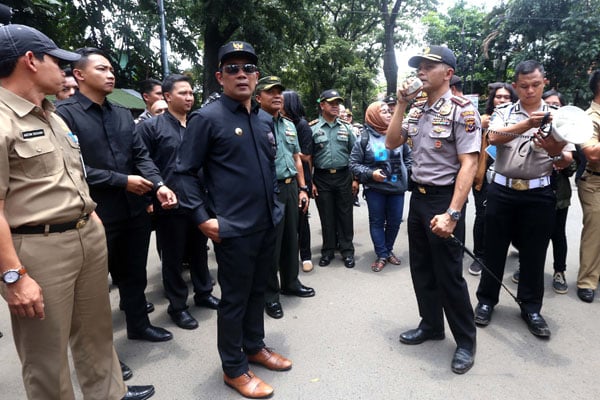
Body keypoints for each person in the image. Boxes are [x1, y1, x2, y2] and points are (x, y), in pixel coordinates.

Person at [0, 24, 154, 400]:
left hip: (86, 234)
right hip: (39, 248)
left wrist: (91, 219)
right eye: (58, 61)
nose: (66, 71)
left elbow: (73, 175)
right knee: (47, 358)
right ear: (31, 61)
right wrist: (13, 276)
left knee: (97, 337)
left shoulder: (53, 115)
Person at [175, 41, 291, 399]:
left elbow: (267, 168)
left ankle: (255, 346)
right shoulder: (207, 118)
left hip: (266, 224)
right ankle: (234, 368)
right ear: (219, 76)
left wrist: (275, 207)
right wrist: (202, 218)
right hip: (233, 229)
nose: (242, 74)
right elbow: (183, 172)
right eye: (232, 68)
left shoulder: (262, 119)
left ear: (256, 75)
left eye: (248, 68)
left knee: (260, 290)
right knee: (235, 300)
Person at [56, 47, 177, 343]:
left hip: (133, 209)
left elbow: (141, 156)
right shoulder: (64, 116)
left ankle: (139, 326)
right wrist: (122, 180)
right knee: (95, 287)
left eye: (111, 69)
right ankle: (103, 354)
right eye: (102, 69)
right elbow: (74, 168)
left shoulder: (123, 114)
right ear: (79, 74)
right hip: (96, 214)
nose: (110, 74)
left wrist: (159, 184)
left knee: (135, 273)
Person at [386, 45, 480, 374]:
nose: (421, 71)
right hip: (419, 199)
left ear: (448, 73)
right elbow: (391, 142)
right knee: (422, 269)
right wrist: (401, 104)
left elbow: (469, 163)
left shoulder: (462, 109)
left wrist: (453, 213)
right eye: (419, 66)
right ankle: (431, 325)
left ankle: (466, 341)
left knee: (449, 275)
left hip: (444, 200)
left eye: (429, 66)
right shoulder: (416, 109)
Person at [473, 60, 574, 338]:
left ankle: (531, 307)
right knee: (493, 249)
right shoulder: (505, 111)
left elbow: (566, 160)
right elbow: (493, 137)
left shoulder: (560, 115)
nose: (530, 90)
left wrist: (555, 150)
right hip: (502, 190)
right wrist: (526, 124)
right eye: (524, 85)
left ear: (545, 83)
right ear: (515, 86)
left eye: (535, 85)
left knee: (534, 252)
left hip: (539, 192)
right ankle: (485, 301)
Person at [136, 74, 220, 330]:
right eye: (183, 93)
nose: (189, 97)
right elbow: (142, 162)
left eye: (192, 93)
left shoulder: (198, 125)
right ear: (167, 96)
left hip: (200, 201)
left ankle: (204, 293)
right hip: (171, 204)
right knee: (173, 257)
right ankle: (178, 306)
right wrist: (153, 195)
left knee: (199, 250)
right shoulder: (151, 127)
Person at [255, 76, 314, 320]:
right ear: (258, 98)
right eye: (271, 92)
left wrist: (303, 188)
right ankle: (270, 295)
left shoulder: (289, 125)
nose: (278, 95)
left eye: (279, 91)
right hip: (269, 190)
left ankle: (290, 282)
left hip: (291, 188)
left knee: (291, 237)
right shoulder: (254, 123)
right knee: (272, 245)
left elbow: (296, 157)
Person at [349, 100, 411, 272]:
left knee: (395, 221)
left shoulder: (398, 134)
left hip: (397, 188)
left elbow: (408, 157)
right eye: (383, 111)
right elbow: (353, 164)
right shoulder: (364, 138)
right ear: (374, 116)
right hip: (375, 190)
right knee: (377, 222)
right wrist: (370, 174)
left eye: (388, 111)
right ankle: (382, 254)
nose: (389, 114)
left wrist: (408, 171)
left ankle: (388, 249)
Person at [469, 82, 517, 276]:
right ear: (492, 99)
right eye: (499, 97)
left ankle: (498, 253)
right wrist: (480, 126)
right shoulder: (483, 120)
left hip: (509, 175)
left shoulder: (518, 120)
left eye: (506, 97)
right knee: (483, 216)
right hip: (483, 175)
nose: (502, 100)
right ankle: (479, 256)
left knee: (506, 217)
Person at [311, 89, 356, 268]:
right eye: (332, 103)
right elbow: (308, 158)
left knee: (345, 215)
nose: (336, 107)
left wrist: (356, 179)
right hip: (321, 178)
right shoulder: (312, 128)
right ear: (322, 105)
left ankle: (347, 251)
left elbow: (355, 155)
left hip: (344, 175)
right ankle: (328, 251)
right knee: (326, 215)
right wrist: (310, 182)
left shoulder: (346, 128)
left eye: (338, 103)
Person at [542, 89, 576, 294]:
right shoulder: (535, 128)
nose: (552, 108)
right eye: (549, 104)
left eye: (556, 104)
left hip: (559, 194)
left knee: (558, 234)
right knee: (531, 233)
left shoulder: (570, 133)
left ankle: (559, 271)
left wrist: (560, 159)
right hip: (535, 192)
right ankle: (525, 267)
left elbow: (572, 168)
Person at [283, 90, 314, 273]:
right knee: (286, 221)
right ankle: (288, 257)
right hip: (285, 177)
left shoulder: (302, 125)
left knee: (302, 219)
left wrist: (287, 152)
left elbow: (306, 156)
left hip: (301, 177)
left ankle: (306, 256)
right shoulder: (279, 124)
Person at [576, 69, 600, 303]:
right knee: (595, 231)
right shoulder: (588, 118)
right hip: (594, 181)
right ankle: (587, 281)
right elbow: (592, 152)